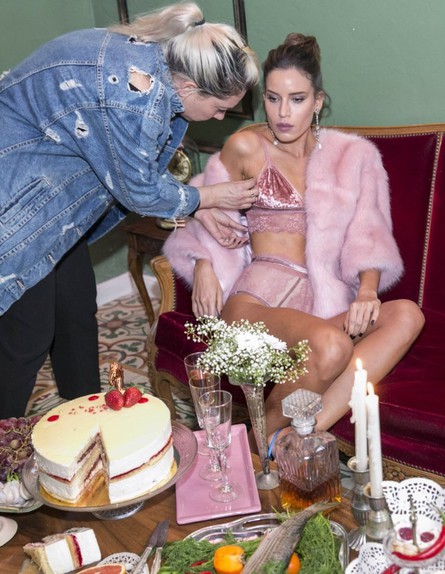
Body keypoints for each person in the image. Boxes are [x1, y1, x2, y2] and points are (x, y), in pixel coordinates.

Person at [163, 33, 425, 450]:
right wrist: (202, 262)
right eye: (272, 98)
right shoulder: (246, 147)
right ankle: (260, 445)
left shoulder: (353, 157)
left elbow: (369, 233)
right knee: (332, 344)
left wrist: (367, 292)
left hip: (322, 307)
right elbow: (201, 201)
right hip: (257, 304)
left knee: (407, 315)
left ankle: (297, 435)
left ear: (318, 101)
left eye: (297, 99)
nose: (283, 113)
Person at [0, 2, 260, 418]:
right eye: (219, 107)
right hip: (16, 200)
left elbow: (130, 165)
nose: (220, 117)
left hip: (53, 198)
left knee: (76, 310)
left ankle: (86, 414)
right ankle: (5, 437)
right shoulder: (136, 98)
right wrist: (209, 197)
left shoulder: (153, 66)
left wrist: (194, 208)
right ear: (189, 87)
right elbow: (139, 189)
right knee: (28, 334)